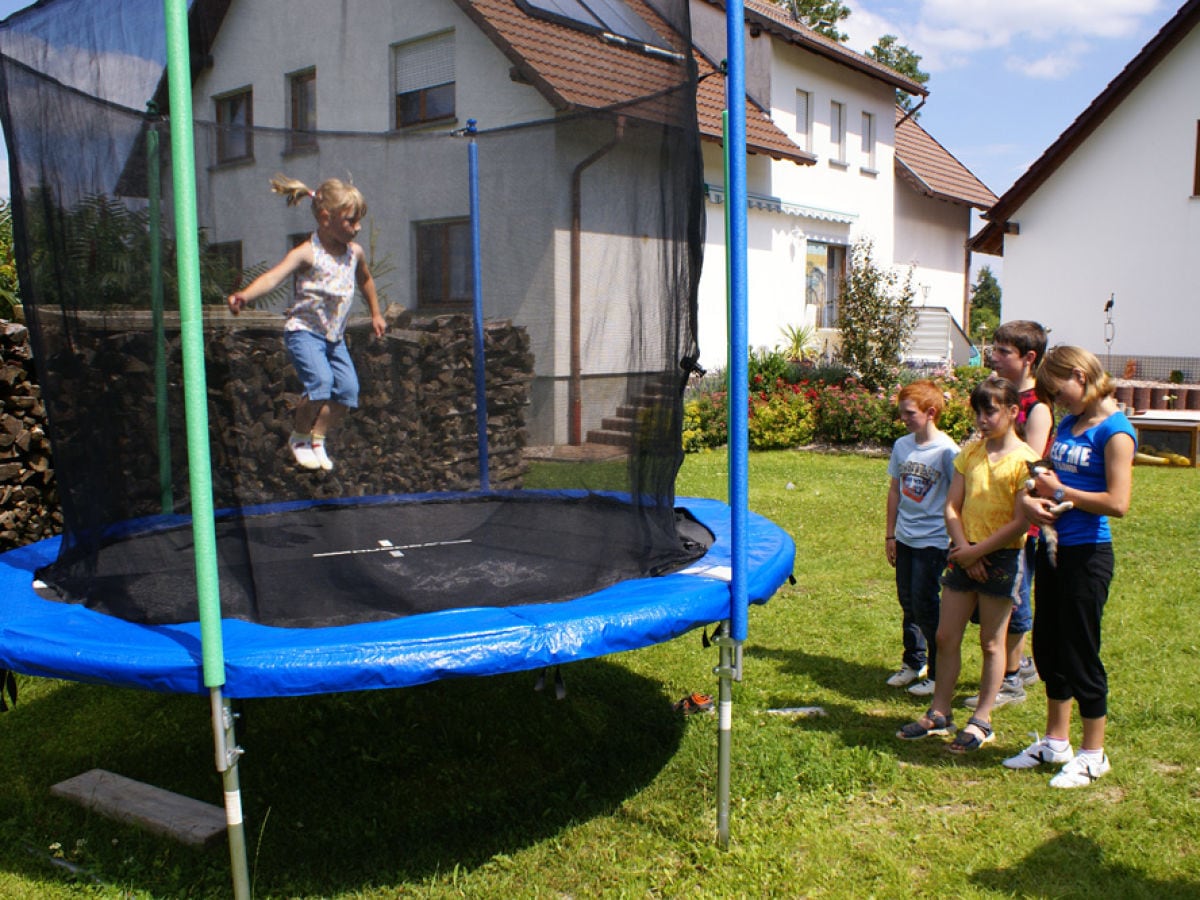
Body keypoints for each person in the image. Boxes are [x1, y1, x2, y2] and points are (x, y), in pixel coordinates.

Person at [1004, 346, 1135, 787]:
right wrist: (1030, 496)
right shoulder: (1070, 424)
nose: (1057, 402)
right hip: (1053, 548)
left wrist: (1062, 493)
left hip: (1087, 555)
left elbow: (1118, 503)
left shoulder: (1115, 432)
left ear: (1080, 375)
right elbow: (1042, 471)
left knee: (1080, 649)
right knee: (1049, 646)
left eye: (1060, 391)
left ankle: (1093, 753)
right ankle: (1056, 742)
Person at [897, 376, 1038, 752]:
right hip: (962, 552)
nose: (982, 419)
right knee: (945, 636)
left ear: (1012, 411)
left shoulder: (1026, 462)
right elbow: (951, 506)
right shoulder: (969, 454)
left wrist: (979, 553)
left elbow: (1021, 521)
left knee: (992, 644)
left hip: (1003, 557)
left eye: (990, 411)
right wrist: (964, 547)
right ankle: (939, 712)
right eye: (978, 411)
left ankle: (983, 720)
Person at [228, 175, 386, 471]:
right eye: (351, 221)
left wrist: (376, 313)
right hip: (304, 333)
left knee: (348, 391)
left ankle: (317, 439)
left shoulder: (354, 254)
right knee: (321, 384)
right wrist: (245, 295)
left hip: (334, 338)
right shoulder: (307, 253)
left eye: (359, 221)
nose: (358, 228)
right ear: (326, 218)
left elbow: (365, 280)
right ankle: (299, 437)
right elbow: (274, 276)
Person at [963, 321, 1053, 711]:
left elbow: (1025, 470)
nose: (993, 357)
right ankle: (1017, 666)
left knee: (1014, 601)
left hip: (1019, 525)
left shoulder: (1037, 408)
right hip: (989, 520)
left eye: (1002, 351)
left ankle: (1011, 679)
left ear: (1028, 358)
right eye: (994, 349)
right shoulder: (1001, 397)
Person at [884, 381, 958, 698]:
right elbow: (894, 491)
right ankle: (913, 662)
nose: (904, 419)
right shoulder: (902, 446)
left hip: (934, 540)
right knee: (908, 602)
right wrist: (890, 534)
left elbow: (959, 499)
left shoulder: (947, 451)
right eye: (901, 413)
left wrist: (956, 541)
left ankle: (939, 672)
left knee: (926, 604)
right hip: (905, 537)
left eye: (909, 413)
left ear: (931, 413)